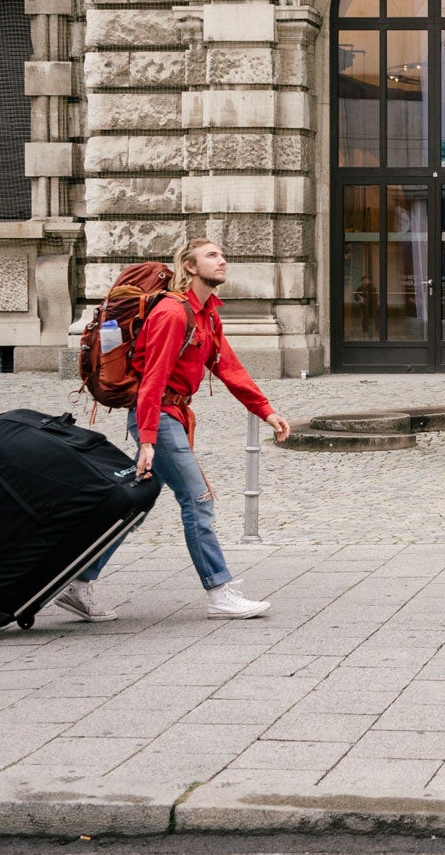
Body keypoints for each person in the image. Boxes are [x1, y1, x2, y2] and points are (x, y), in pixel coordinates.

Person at [54, 238, 292, 622]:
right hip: (158, 418)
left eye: (222, 254)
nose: (223, 260)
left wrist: (265, 411)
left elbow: (228, 367)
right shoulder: (172, 312)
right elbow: (153, 379)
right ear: (191, 267)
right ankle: (219, 592)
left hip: (172, 418)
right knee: (199, 501)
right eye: (212, 256)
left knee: (134, 504)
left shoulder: (207, 314)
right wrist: (148, 439)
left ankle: (78, 584)